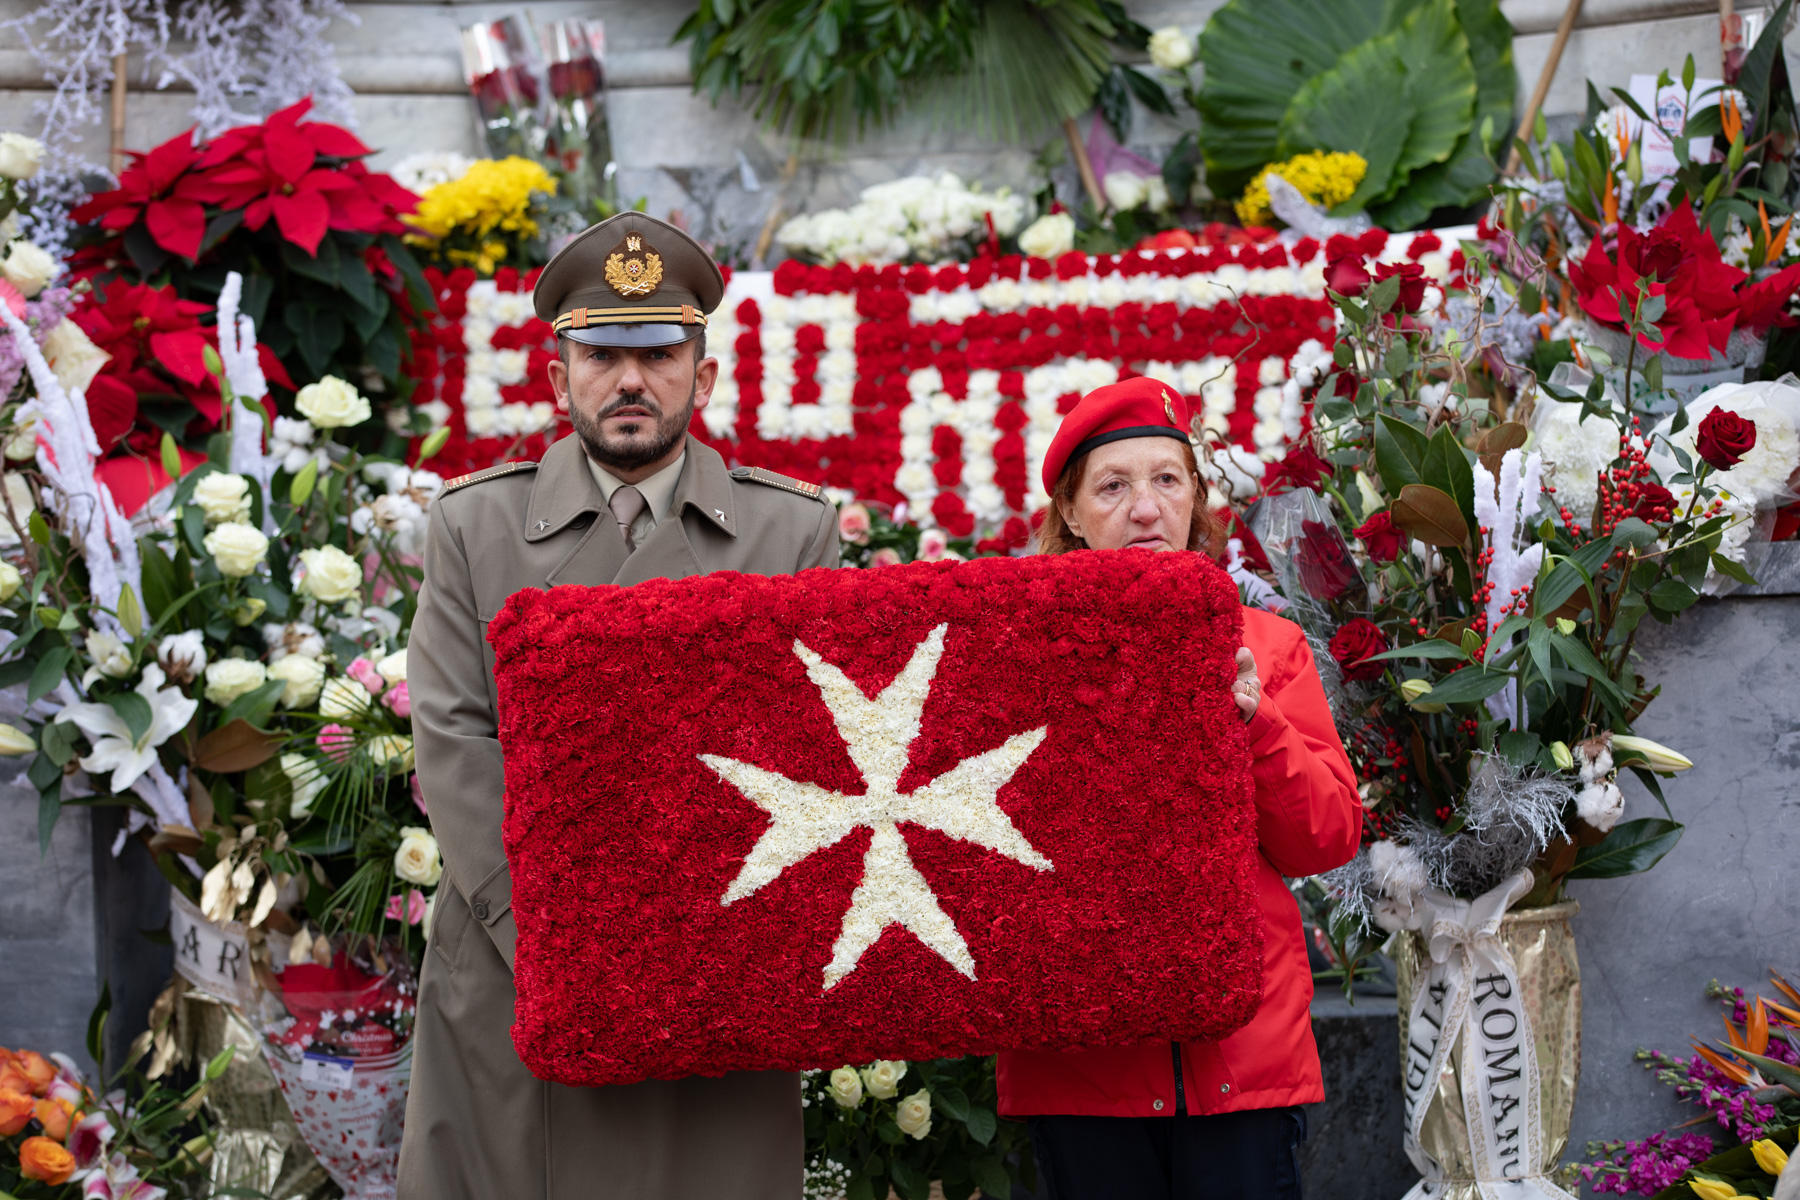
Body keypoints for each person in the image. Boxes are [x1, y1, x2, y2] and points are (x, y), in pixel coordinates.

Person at [398, 212, 838, 1200]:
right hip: (520, 954)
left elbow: (811, 750)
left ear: (705, 375)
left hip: (713, 966)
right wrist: (555, 937)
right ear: (558, 379)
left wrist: (690, 942)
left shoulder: (792, 530)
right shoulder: (474, 525)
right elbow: (457, 738)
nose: (629, 381)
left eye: (658, 355)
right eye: (600, 355)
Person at [997, 377, 1361, 1200]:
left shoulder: (1267, 647)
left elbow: (1328, 837)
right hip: (1085, 1069)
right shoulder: (1018, 654)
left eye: (1167, 479)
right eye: (1113, 486)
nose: (1145, 507)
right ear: (1072, 515)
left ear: (1197, 500)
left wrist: (1255, 720)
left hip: (1241, 1063)